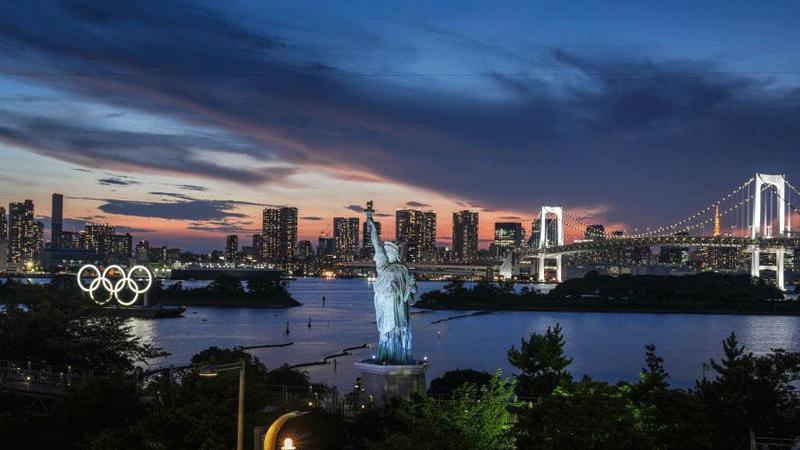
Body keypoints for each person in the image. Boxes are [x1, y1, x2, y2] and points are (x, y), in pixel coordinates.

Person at [366, 210, 417, 364]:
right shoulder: (383, 266)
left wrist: (412, 288)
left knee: (401, 328)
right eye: (386, 252)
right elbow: (376, 245)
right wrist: (372, 226)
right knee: (388, 329)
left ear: (395, 254)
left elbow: (411, 289)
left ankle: (400, 355)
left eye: (390, 252)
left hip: (399, 303)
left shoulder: (402, 268)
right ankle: (388, 354)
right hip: (387, 303)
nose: (387, 255)